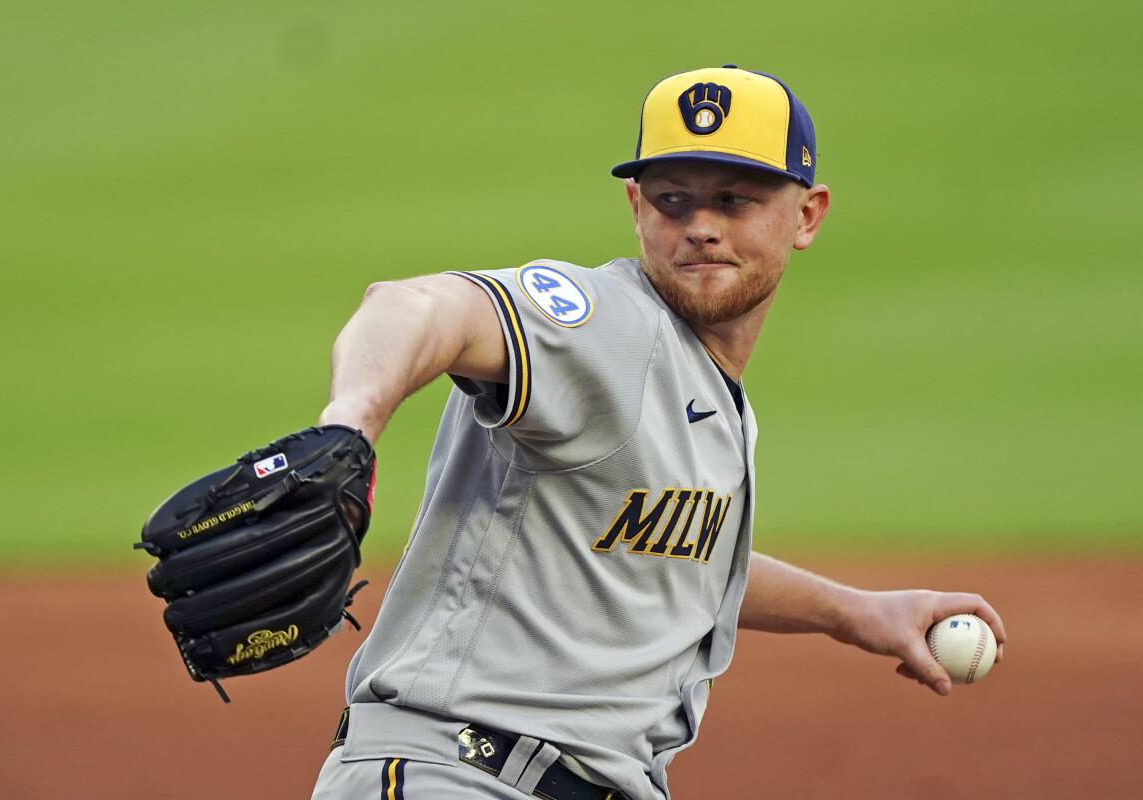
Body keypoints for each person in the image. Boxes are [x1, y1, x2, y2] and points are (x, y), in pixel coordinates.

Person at [309, 65, 1006, 800]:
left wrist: (853, 611)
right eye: (675, 200)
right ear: (636, 206)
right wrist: (348, 426)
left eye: (736, 200)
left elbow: (670, 560)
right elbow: (418, 306)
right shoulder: (607, 324)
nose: (701, 225)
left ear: (807, 215)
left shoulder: (705, 387)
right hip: (457, 780)